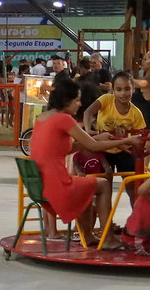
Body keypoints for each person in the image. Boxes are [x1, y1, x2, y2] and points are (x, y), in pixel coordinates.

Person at [27, 76, 115, 246]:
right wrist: (126, 141)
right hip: (57, 187)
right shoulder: (64, 119)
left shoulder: (42, 118)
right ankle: (108, 238)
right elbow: (94, 147)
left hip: (41, 186)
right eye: (77, 100)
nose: (80, 104)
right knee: (103, 185)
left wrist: (98, 136)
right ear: (66, 100)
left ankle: (88, 235)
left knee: (87, 184)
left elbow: (70, 147)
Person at [83, 71, 149, 177]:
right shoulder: (106, 99)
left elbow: (140, 141)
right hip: (102, 150)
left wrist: (124, 141)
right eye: (119, 89)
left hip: (124, 152)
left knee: (131, 183)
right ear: (113, 90)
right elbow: (88, 112)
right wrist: (88, 130)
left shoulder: (136, 114)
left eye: (127, 89)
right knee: (105, 183)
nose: (123, 93)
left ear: (133, 89)